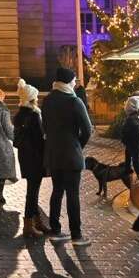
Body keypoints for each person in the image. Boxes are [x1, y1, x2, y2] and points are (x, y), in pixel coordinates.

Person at [41, 66, 93, 246]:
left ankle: (55, 230)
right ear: (68, 81)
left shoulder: (47, 100)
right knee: (72, 195)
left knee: (57, 191)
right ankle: (76, 235)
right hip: (71, 154)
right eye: (74, 79)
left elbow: (44, 126)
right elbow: (88, 129)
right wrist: (78, 144)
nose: (75, 82)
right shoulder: (74, 101)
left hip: (54, 153)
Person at [13, 79, 49, 238]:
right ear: (32, 98)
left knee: (32, 189)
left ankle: (36, 221)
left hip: (25, 157)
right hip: (35, 157)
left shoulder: (19, 114)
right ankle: (28, 225)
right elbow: (39, 139)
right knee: (32, 191)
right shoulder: (34, 115)